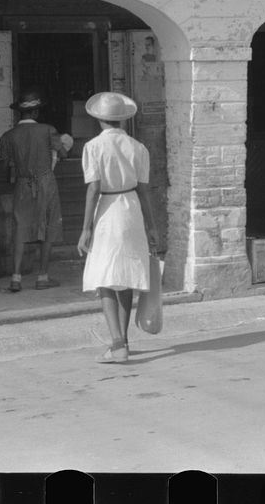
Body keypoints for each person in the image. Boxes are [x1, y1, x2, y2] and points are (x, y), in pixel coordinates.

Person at [76, 92, 161, 364]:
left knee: (104, 279)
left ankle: (117, 343)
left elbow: (93, 189)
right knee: (125, 278)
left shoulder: (93, 147)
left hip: (107, 211)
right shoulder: (138, 147)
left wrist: (86, 228)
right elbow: (145, 190)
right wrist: (151, 225)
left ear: (99, 119)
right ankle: (122, 342)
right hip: (132, 209)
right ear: (122, 120)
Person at [0, 89, 69, 292]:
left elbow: (3, 167)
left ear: (19, 113)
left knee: (20, 229)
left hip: (22, 185)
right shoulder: (48, 130)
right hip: (46, 182)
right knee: (47, 228)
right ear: (36, 113)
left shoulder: (8, 136)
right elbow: (62, 154)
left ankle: (16, 278)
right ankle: (42, 277)